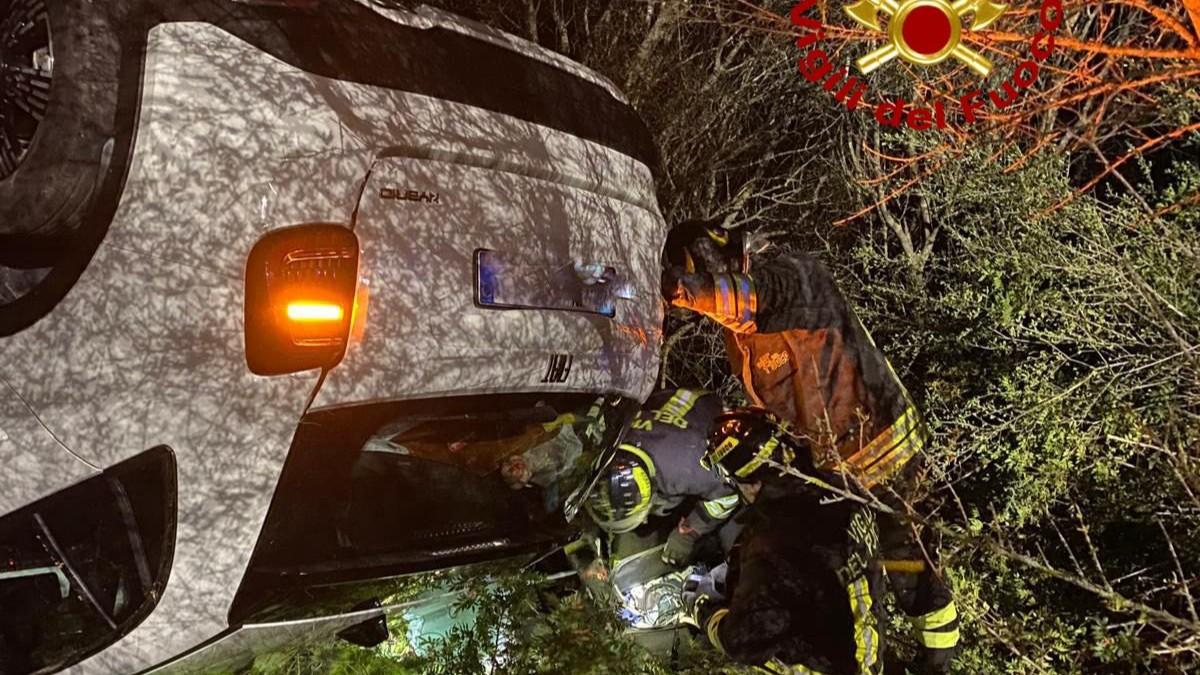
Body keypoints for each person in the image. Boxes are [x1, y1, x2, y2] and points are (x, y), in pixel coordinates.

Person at [662, 223, 957, 670]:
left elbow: (748, 302)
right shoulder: (739, 336)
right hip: (829, 466)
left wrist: (675, 289)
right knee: (839, 573)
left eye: (695, 269)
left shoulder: (798, 277)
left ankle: (939, 660)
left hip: (882, 445)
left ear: (714, 256)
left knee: (908, 563)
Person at [684, 407, 890, 674]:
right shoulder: (838, 489)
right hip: (869, 659)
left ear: (751, 483)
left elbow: (743, 640)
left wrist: (706, 611)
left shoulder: (773, 544)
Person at [585, 388, 741, 566]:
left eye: (643, 515)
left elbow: (729, 495)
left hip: (707, 423)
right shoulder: (608, 441)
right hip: (667, 420)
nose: (644, 519)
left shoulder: (692, 467)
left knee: (733, 534)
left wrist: (690, 532)